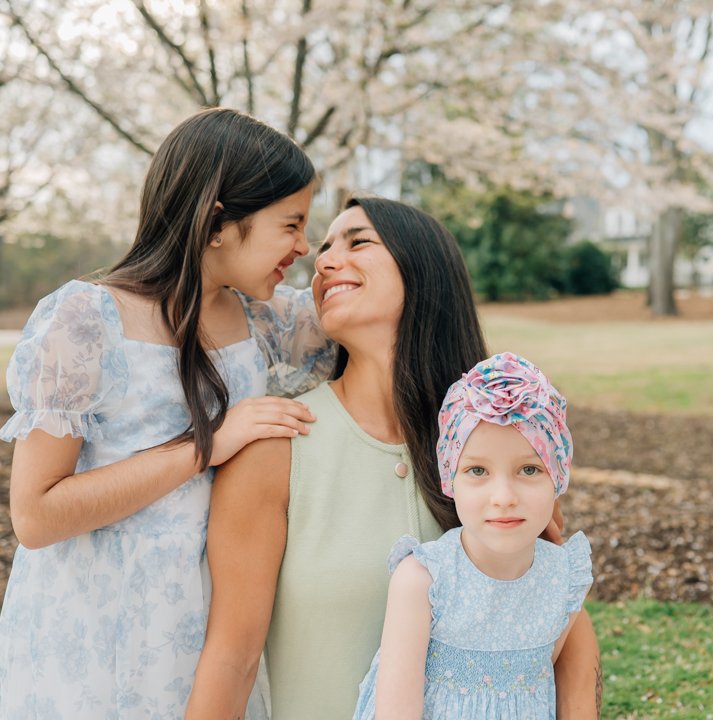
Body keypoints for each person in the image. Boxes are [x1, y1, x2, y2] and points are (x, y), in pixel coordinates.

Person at [187, 198, 601, 720]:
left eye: (358, 242)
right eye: (324, 249)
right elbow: (231, 660)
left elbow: (559, 613)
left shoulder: (499, 450)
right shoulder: (276, 444)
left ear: (423, 269)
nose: (325, 262)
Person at [0, 108, 335, 719]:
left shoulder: (267, 320)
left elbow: (378, 319)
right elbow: (36, 516)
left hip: (209, 629)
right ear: (219, 221)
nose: (305, 247)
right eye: (291, 224)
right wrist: (204, 446)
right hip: (91, 634)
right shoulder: (86, 320)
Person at [352, 351, 593, 719]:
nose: (503, 498)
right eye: (478, 470)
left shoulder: (564, 577)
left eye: (529, 469)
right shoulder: (424, 579)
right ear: (450, 477)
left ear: (558, 476)